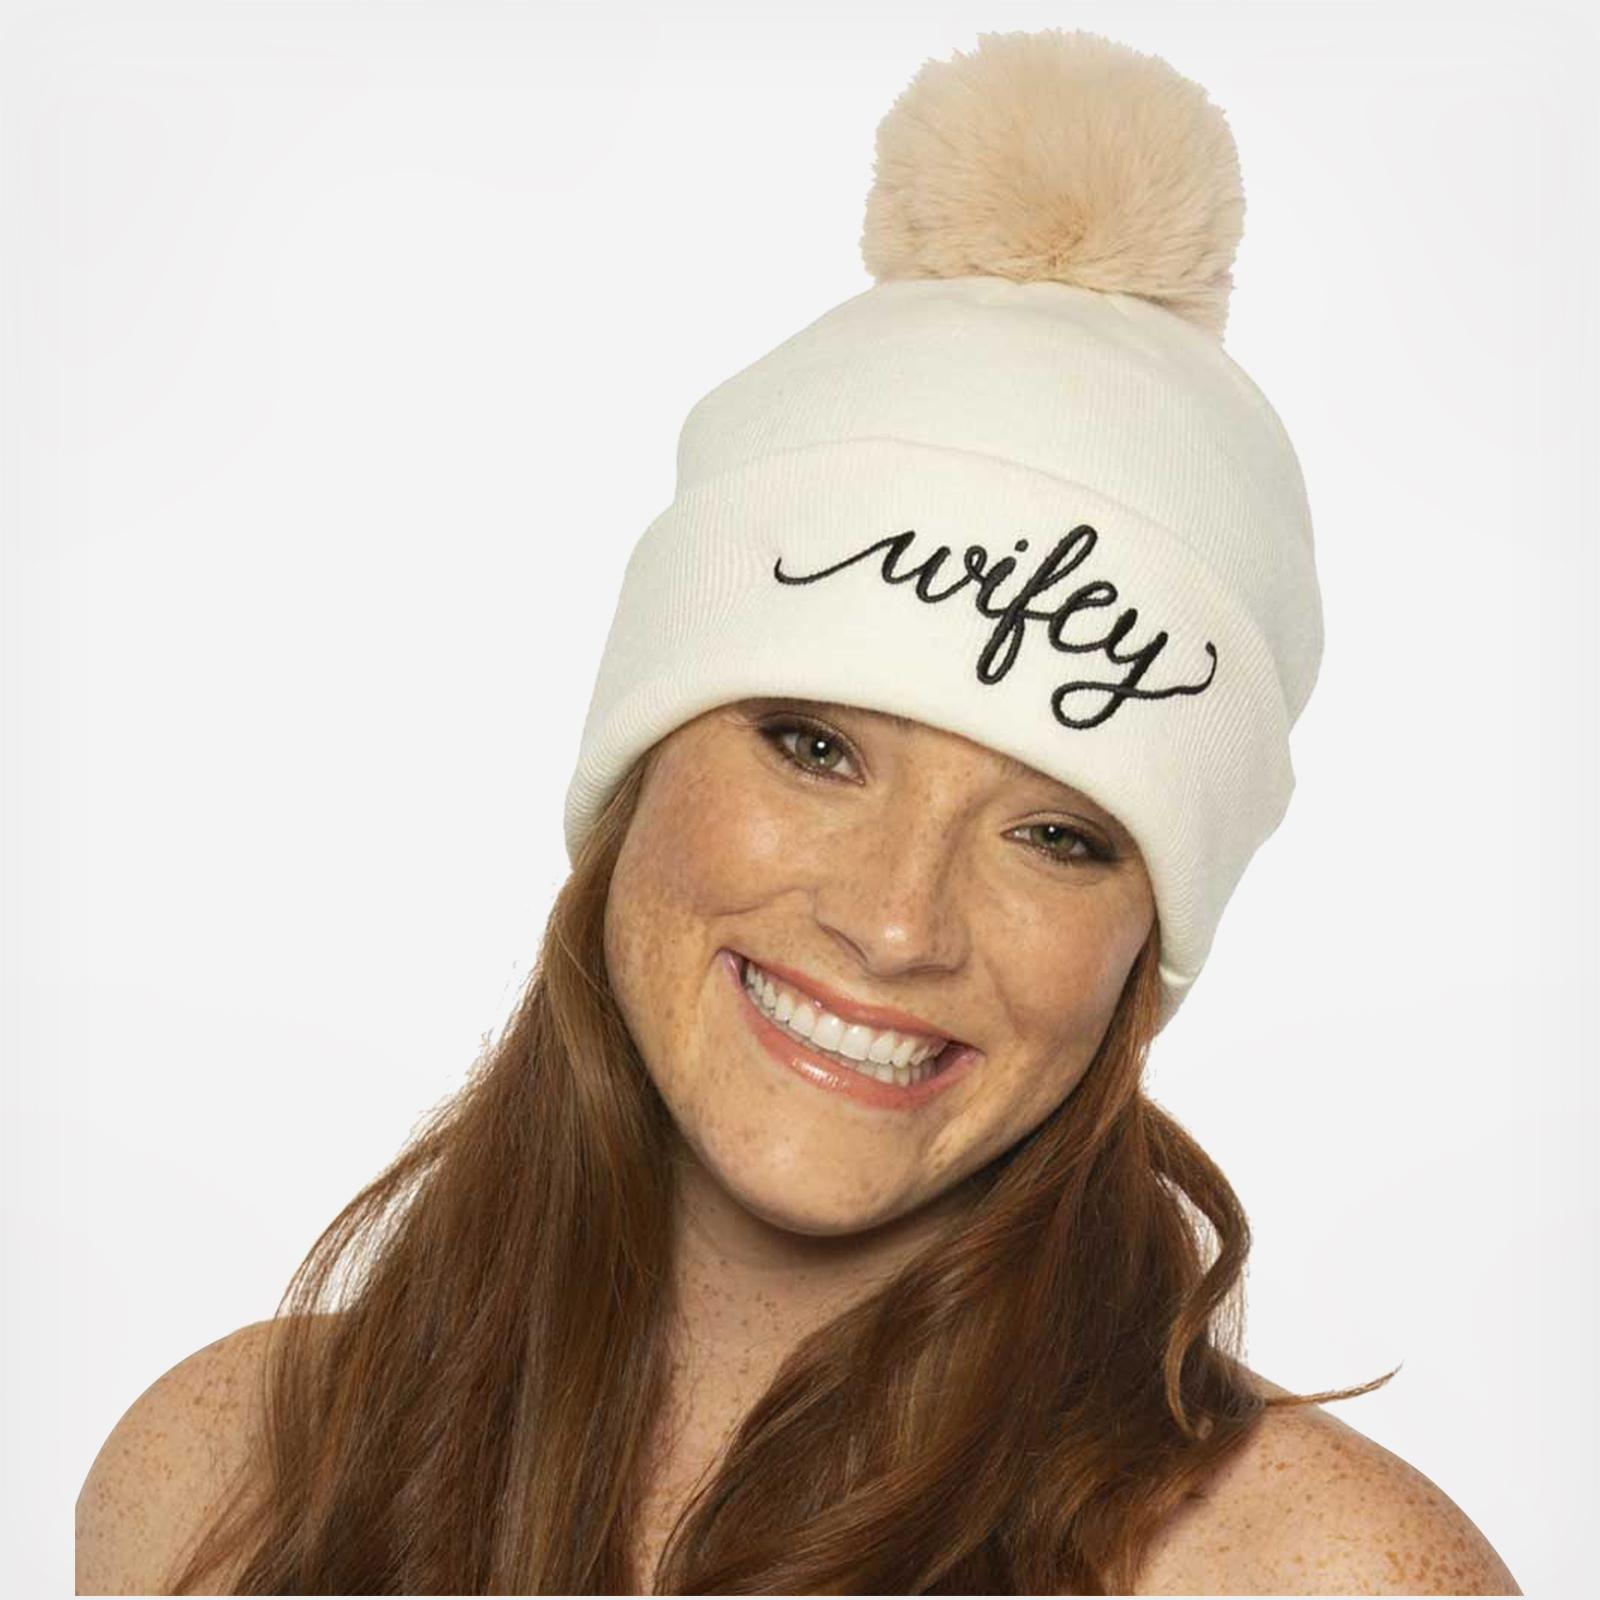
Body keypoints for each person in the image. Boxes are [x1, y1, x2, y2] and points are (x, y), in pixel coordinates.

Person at [76, 27, 1521, 1596]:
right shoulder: (216, 1478)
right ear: (639, 767)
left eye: (1059, 836)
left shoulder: (1323, 1572)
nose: (895, 923)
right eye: (814, 747)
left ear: (1144, 941)